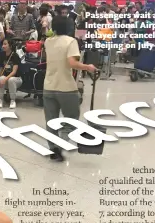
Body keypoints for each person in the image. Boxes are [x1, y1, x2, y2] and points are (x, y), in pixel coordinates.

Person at [42, 15, 97, 162]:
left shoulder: (48, 41)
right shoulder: (71, 41)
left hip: (48, 86)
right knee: (71, 120)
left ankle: (53, 150)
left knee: (51, 121)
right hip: (66, 87)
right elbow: (72, 63)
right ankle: (60, 148)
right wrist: (88, 67)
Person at [0, 39, 21, 109]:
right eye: (3, 44)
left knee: (11, 79)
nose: (3, 46)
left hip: (17, 79)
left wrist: (5, 79)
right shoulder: (2, 55)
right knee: (1, 78)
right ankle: (0, 100)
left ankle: (12, 100)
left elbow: (14, 72)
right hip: (6, 79)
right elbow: (1, 69)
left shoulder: (15, 56)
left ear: (10, 46)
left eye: (5, 44)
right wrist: (1, 78)